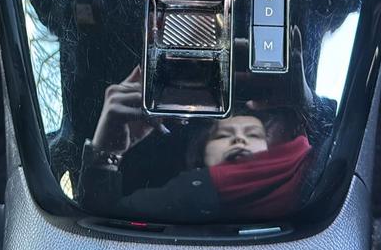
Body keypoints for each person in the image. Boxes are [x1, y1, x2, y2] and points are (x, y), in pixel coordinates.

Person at [77, 66, 313, 222]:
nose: (239, 139)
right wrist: (107, 151)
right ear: (201, 156)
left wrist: (307, 102)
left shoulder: (304, 171)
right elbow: (103, 225)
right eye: (222, 136)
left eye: (253, 135)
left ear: (274, 148)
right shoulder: (178, 194)